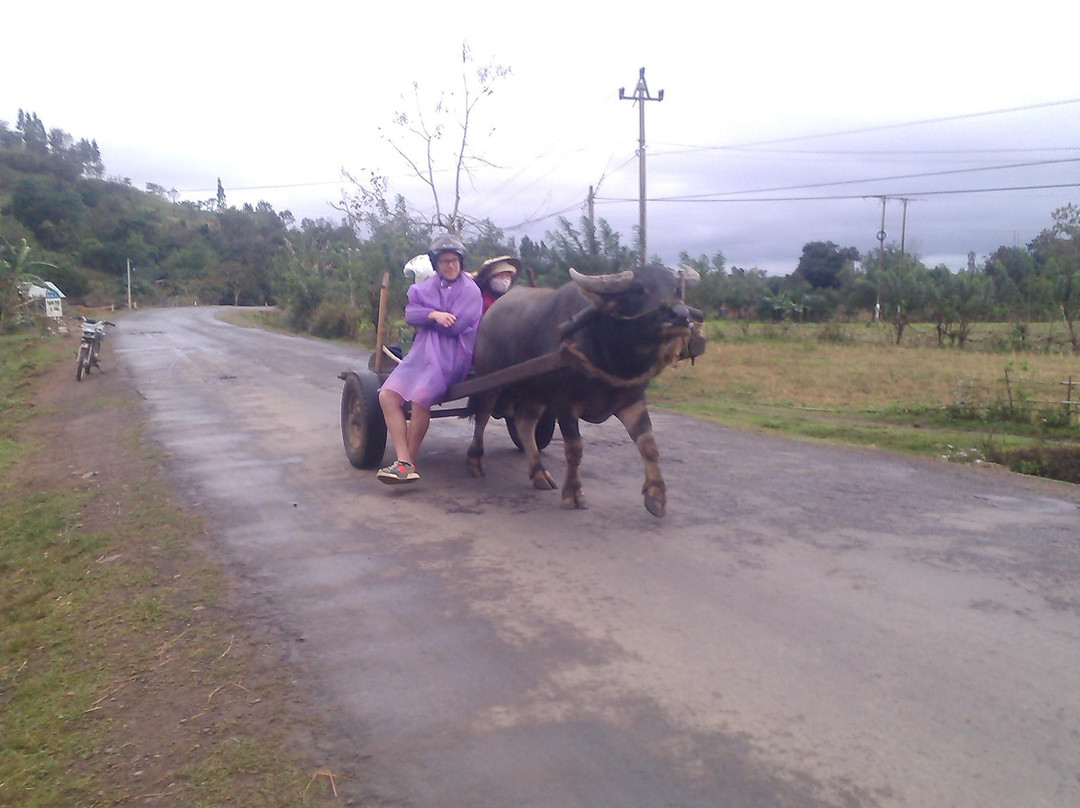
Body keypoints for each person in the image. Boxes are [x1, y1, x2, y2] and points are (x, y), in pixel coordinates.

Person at [376, 233, 483, 484]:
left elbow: (455, 328)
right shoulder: (424, 287)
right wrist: (434, 314)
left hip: (452, 355)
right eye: (445, 261)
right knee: (386, 395)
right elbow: (411, 315)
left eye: (455, 260)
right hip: (421, 352)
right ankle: (403, 460)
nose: (451, 265)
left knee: (421, 397)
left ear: (461, 262)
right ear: (436, 264)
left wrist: (427, 317)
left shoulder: (470, 290)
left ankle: (406, 464)